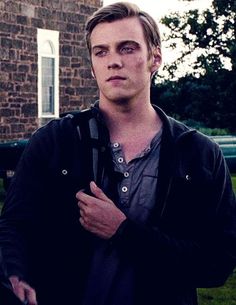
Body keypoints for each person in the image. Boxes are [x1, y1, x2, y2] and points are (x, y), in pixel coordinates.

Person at [0, 2, 236, 305]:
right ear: (92, 64)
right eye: (101, 52)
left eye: (127, 48)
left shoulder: (199, 155)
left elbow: (216, 264)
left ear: (154, 58)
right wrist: (16, 276)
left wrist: (123, 231)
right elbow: (15, 226)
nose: (113, 61)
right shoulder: (55, 142)